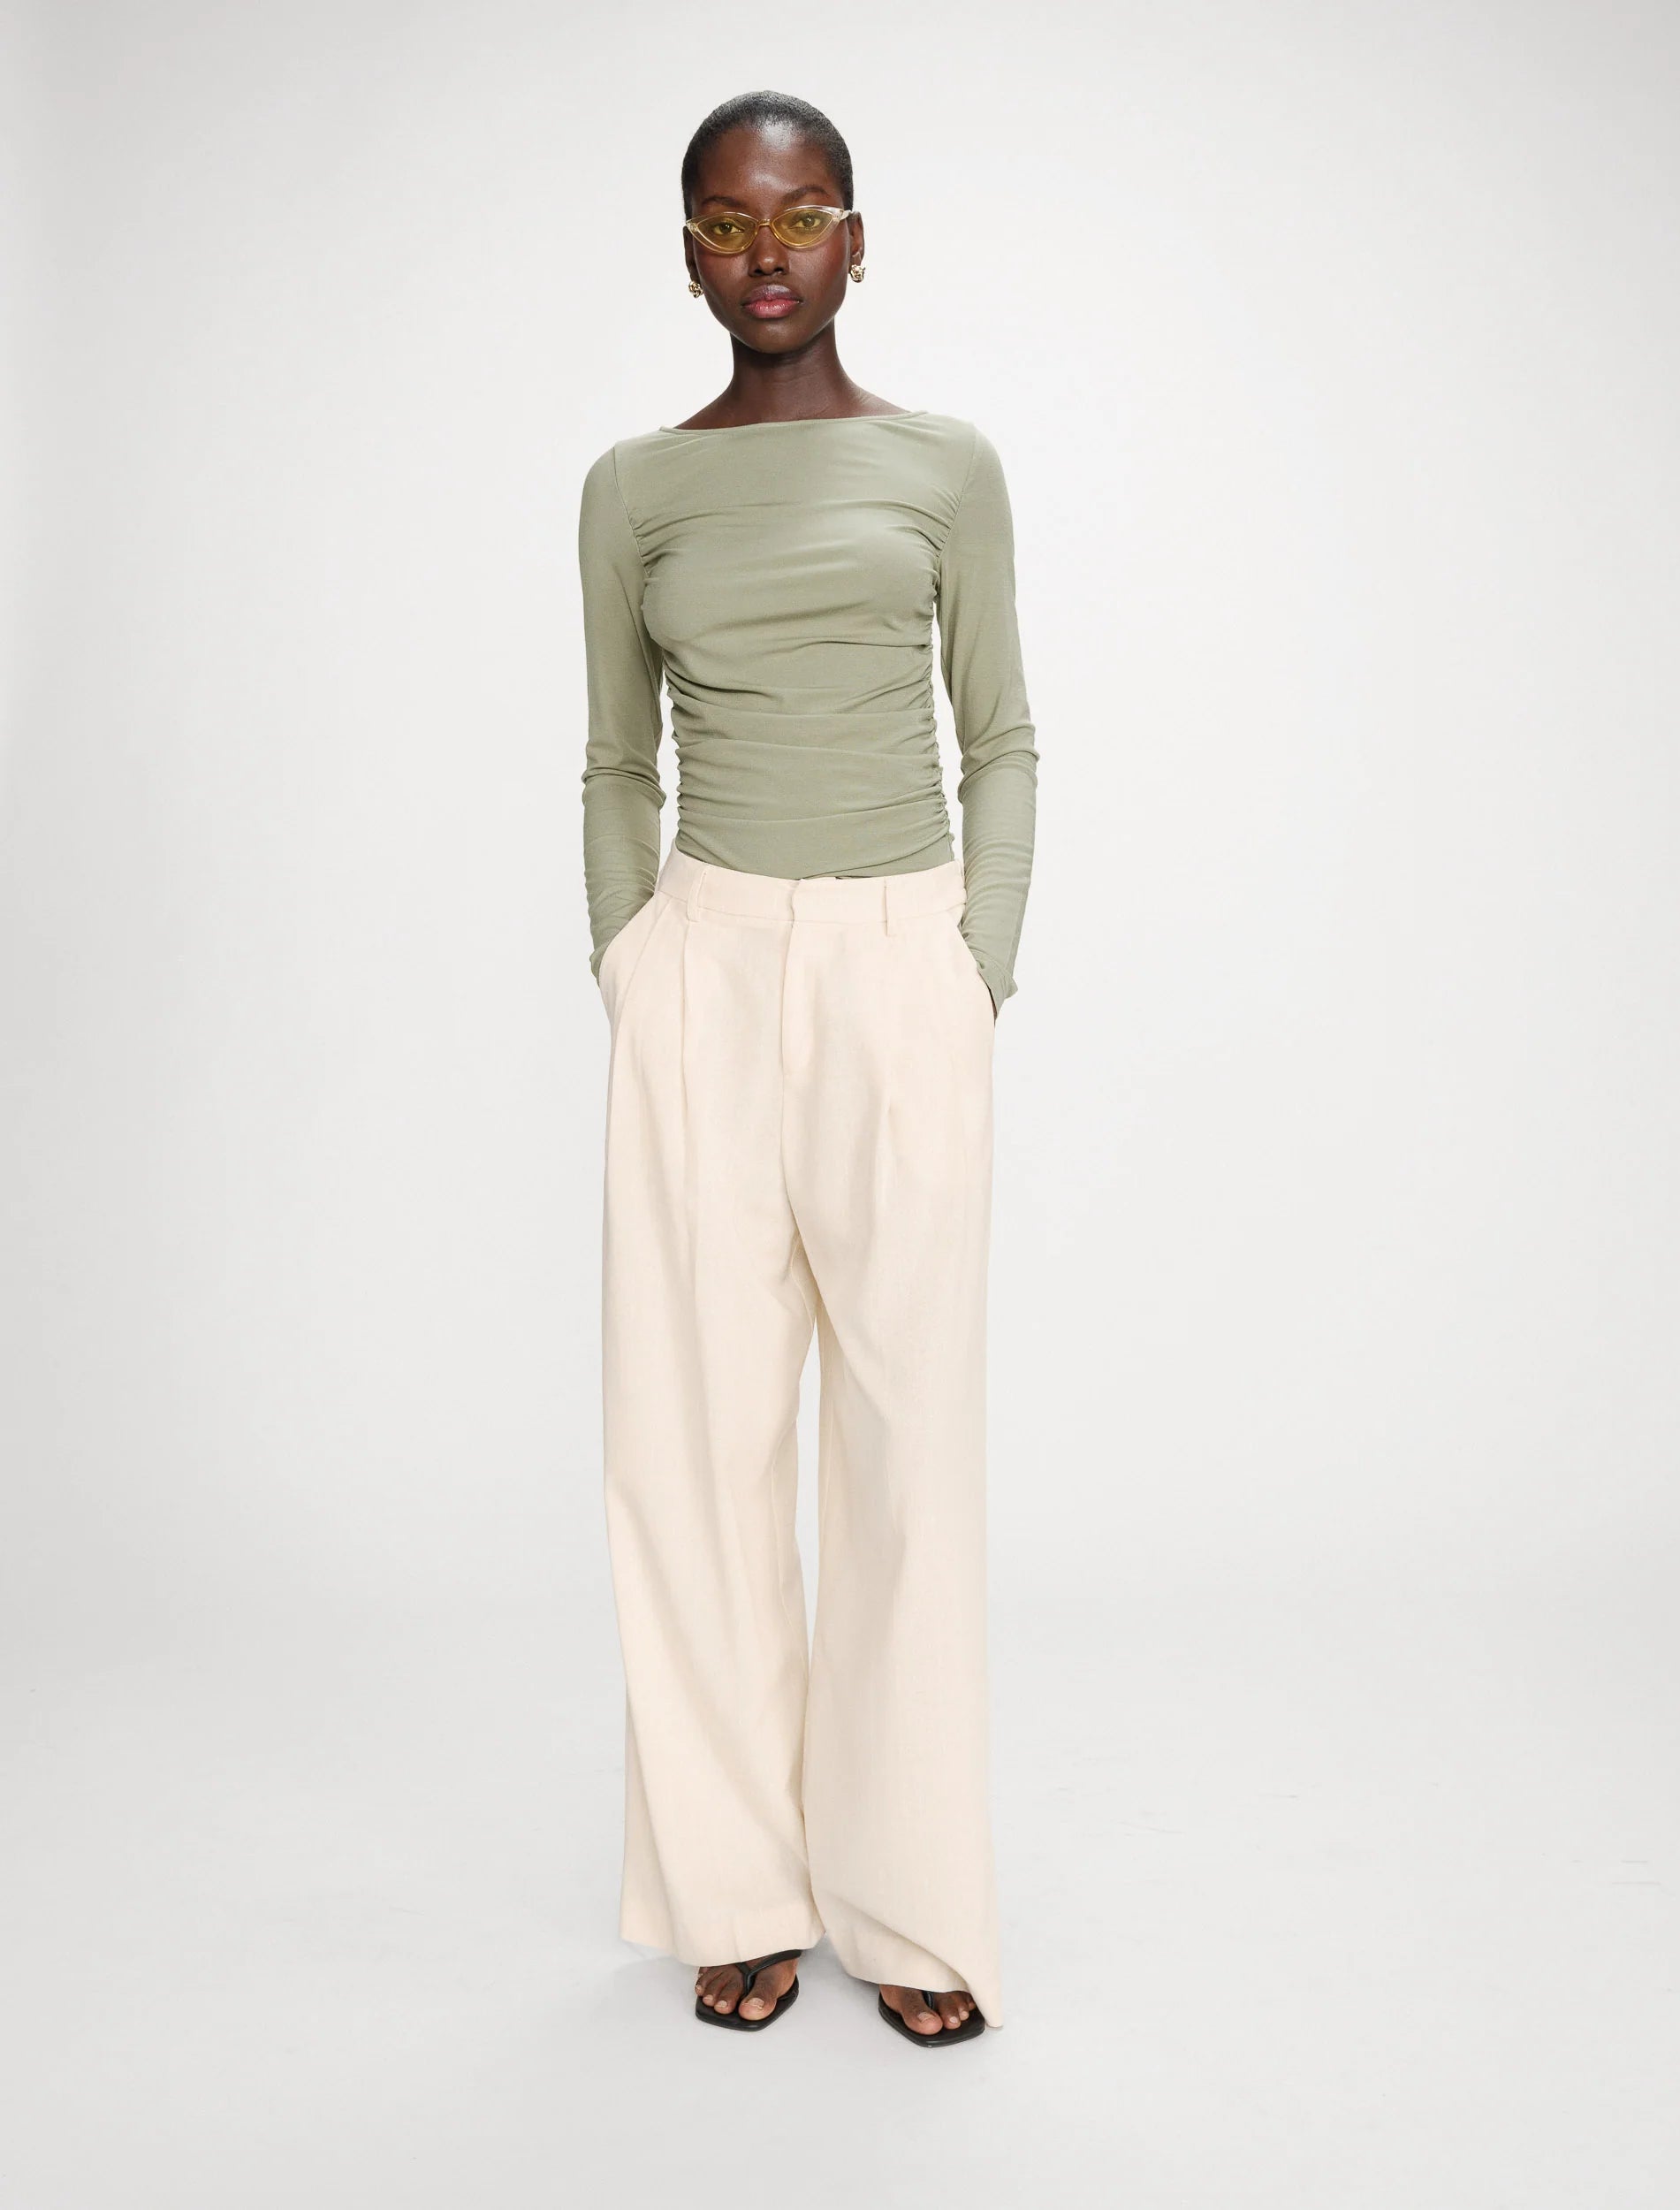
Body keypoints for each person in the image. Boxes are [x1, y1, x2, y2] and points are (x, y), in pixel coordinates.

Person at [576, 88, 1038, 2046]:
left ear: (857, 237)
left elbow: (1001, 730)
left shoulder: (943, 467)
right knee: (692, 1446)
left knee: (906, 1447)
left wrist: (972, 961)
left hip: (896, 961)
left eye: (799, 214)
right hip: (703, 964)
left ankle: (909, 1898)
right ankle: (734, 1887)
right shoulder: (632, 489)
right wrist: (632, 954)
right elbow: (616, 753)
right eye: (723, 222)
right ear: (687, 252)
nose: (763, 254)